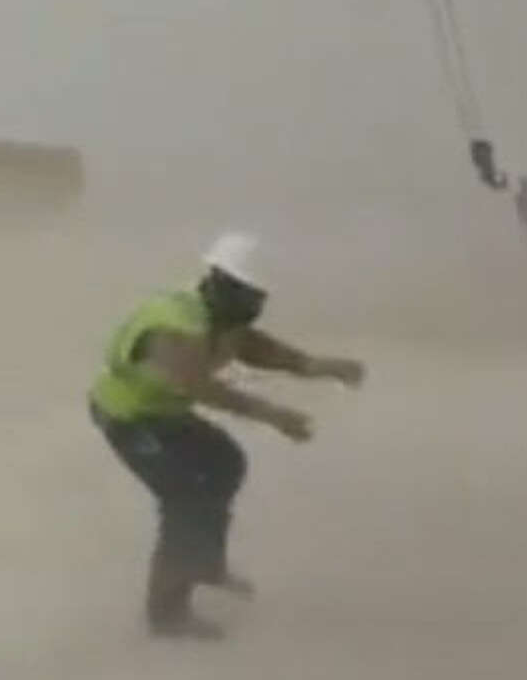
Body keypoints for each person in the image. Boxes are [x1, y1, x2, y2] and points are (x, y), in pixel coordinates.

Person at [89, 231, 366, 639]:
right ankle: (167, 614)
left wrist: (315, 366)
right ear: (219, 282)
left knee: (224, 461)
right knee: (185, 495)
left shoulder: (223, 317)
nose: (255, 305)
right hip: (129, 418)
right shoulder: (177, 322)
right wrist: (272, 414)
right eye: (249, 294)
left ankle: (204, 560)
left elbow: (253, 347)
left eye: (259, 296)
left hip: (164, 414)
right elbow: (194, 383)